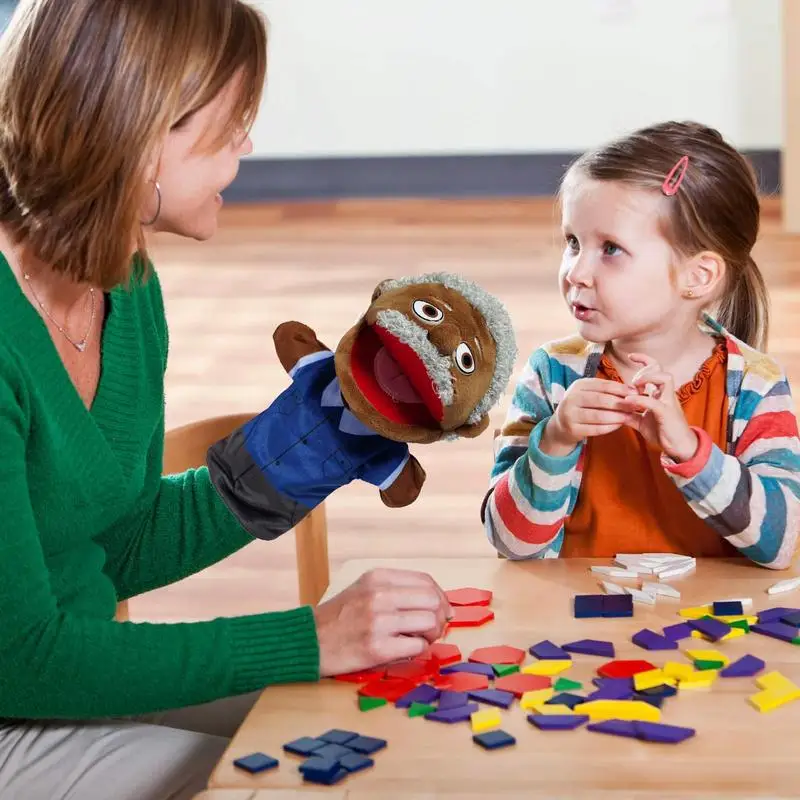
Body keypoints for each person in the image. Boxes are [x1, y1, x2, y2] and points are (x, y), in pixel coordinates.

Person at [0, 2, 451, 798]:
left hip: (67, 677)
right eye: (232, 124)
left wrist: (280, 467)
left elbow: (112, 545)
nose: (249, 145)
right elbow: (24, 658)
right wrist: (310, 637)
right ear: (138, 136)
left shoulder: (126, 289)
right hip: (18, 701)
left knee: (386, 727)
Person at [482, 121, 800, 566]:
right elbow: (510, 543)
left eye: (610, 249)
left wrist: (689, 450)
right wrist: (554, 440)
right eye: (573, 242)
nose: (576, 272)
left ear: (698, 276)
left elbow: (780, 543)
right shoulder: (551, 374)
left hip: (709, 627)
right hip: (577, 619)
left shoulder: (757, 385)